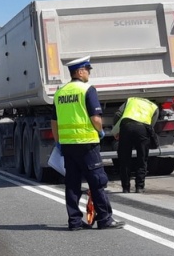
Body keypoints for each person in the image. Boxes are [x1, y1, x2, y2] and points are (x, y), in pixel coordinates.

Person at [51, 55, 124, 231]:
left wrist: (59, 142)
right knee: (97, 181)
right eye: (88, 70)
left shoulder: (60, 93)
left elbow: (54, 122)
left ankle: (75, 222)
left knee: (72, 184)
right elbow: (95, 118)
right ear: (80, 71)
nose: (89, 74)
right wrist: (100, 131)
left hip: (68, 145)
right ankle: (104, 219)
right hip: (87, 143)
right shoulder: (87, 90)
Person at [111, 96, 159, 194]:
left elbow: (118, 114)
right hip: (142, 129)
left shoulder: (130, 100)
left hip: (126, 127)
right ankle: (139, 187)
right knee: (142, 159)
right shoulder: (154, 107)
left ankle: (125, 188)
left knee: (124, 159)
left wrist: (117, 129)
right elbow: (151, 125)